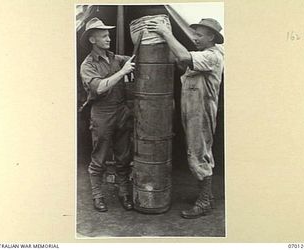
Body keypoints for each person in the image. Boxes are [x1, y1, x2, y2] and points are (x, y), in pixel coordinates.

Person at [146, 18, 224, 219]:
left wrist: (165, 32)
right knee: (196, 151)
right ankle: (206, 196)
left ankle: (205, 201)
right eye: (195, 34)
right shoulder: (201, 56)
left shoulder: (213, 56)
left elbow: (182, 56)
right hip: (191, 110)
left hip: (202, 111)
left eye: (199, 35)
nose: (195, 38)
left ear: (212, 37)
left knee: (199, 153)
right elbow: (181, 62)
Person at [79, 17, 135, 212]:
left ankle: (124, 193)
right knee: (99, 157)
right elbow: (100, 88)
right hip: (102, 113)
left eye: (108, 34)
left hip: (121, 111)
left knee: (123, 156)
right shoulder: (87, 65)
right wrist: (123, 72)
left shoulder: (115, 58)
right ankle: (98, 196)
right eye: (104, 35)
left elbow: (133, 60)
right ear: (92, 40)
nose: (108, 38)